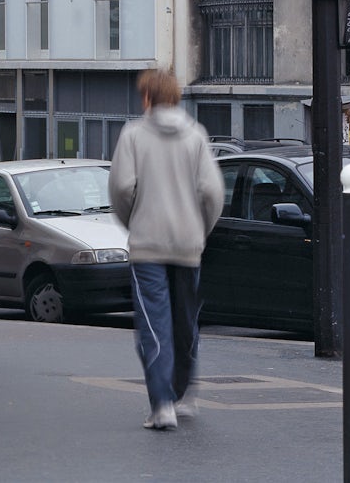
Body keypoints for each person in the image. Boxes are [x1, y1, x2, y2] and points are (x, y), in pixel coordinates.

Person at [108, 68, 225, 432]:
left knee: (153, 323)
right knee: (185, 320)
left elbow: (121, 189)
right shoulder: (196, 135)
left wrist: (136, 221)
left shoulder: (133, 135)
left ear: (147, 98)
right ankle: (184, 394)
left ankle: (162, 404)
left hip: (148, 245)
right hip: (188, 243)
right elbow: (212, 193)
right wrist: (199, 229)